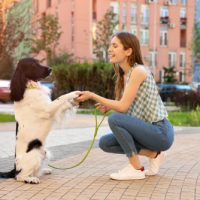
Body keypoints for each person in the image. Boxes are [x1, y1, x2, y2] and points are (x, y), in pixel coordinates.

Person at [77, 32, 174, 180]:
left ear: (128, 51)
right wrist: (109, 106)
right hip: (146, 132)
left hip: (160, 132)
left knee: (115, 119)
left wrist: (92, 95)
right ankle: (155, 155)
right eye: (110, 45)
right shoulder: (124, 76)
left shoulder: (138, 71)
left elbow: (122, 108)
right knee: (105, 143)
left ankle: (136, 168)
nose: (110, 49)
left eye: (115, 46)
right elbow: (126, 105)